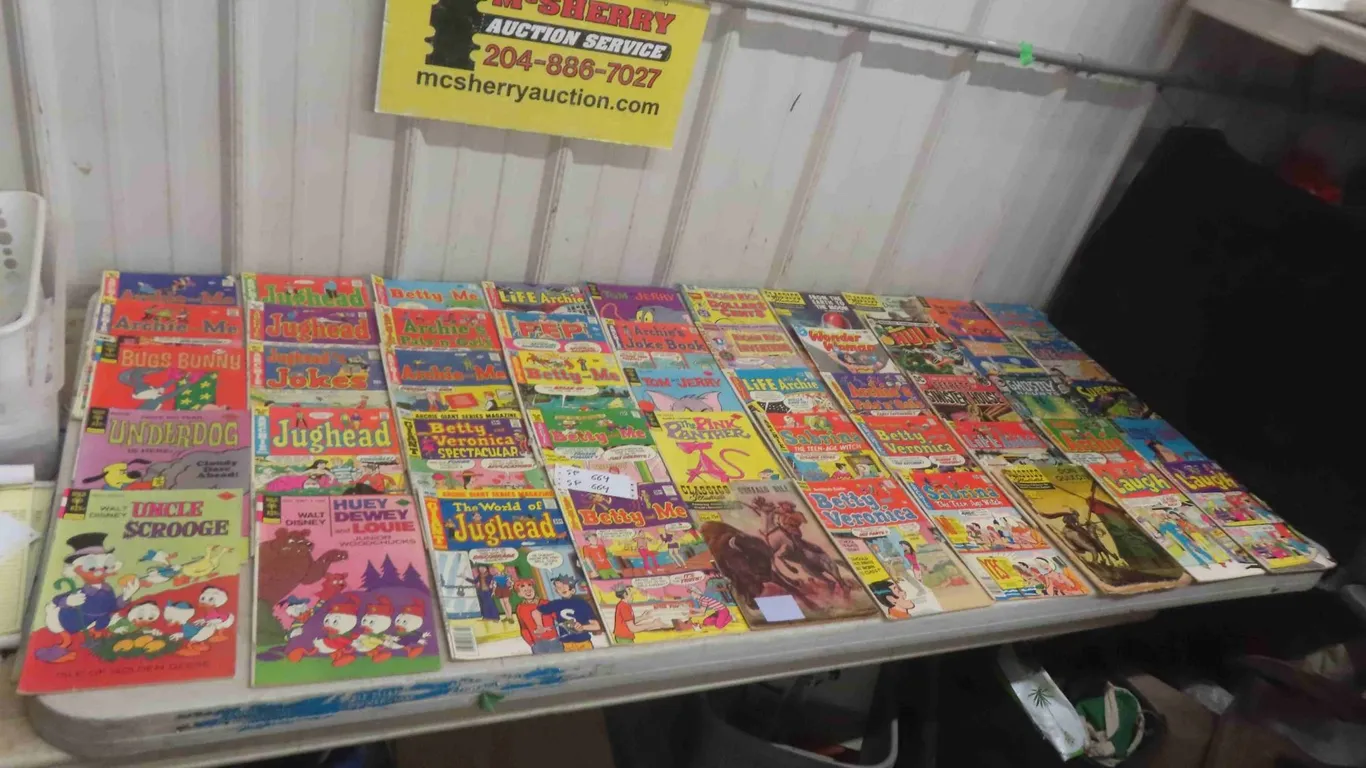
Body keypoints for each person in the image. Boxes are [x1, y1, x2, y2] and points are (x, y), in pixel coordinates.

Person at [541, 577, 601, 651]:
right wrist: (540, 626)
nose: (562, 589)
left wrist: (582, 627)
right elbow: (537, 611)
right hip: (567, 644)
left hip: (583, 642)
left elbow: (596, 626)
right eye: (559, 587)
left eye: (564, 586)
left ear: (572, 590)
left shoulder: (581, 603)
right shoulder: (555, 604)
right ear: (556, 591)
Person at [512, 579, 558, 654]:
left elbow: (558, 617)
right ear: (519, 594)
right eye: (524, 590)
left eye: (530, 589)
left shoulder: (545, 603)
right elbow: (524, 627)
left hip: (553, 641)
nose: (528, 591)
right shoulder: (520, 608)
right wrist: (531, 643)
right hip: (538, 644)